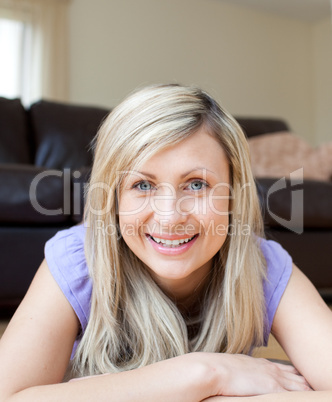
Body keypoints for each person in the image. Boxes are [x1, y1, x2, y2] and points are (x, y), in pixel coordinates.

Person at [0, 84, 331, 401]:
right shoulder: (79, 260)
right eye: (143, 185)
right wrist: (207, 373)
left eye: (197, 184)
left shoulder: (262, 264)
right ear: (113, 198)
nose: (170, 216)